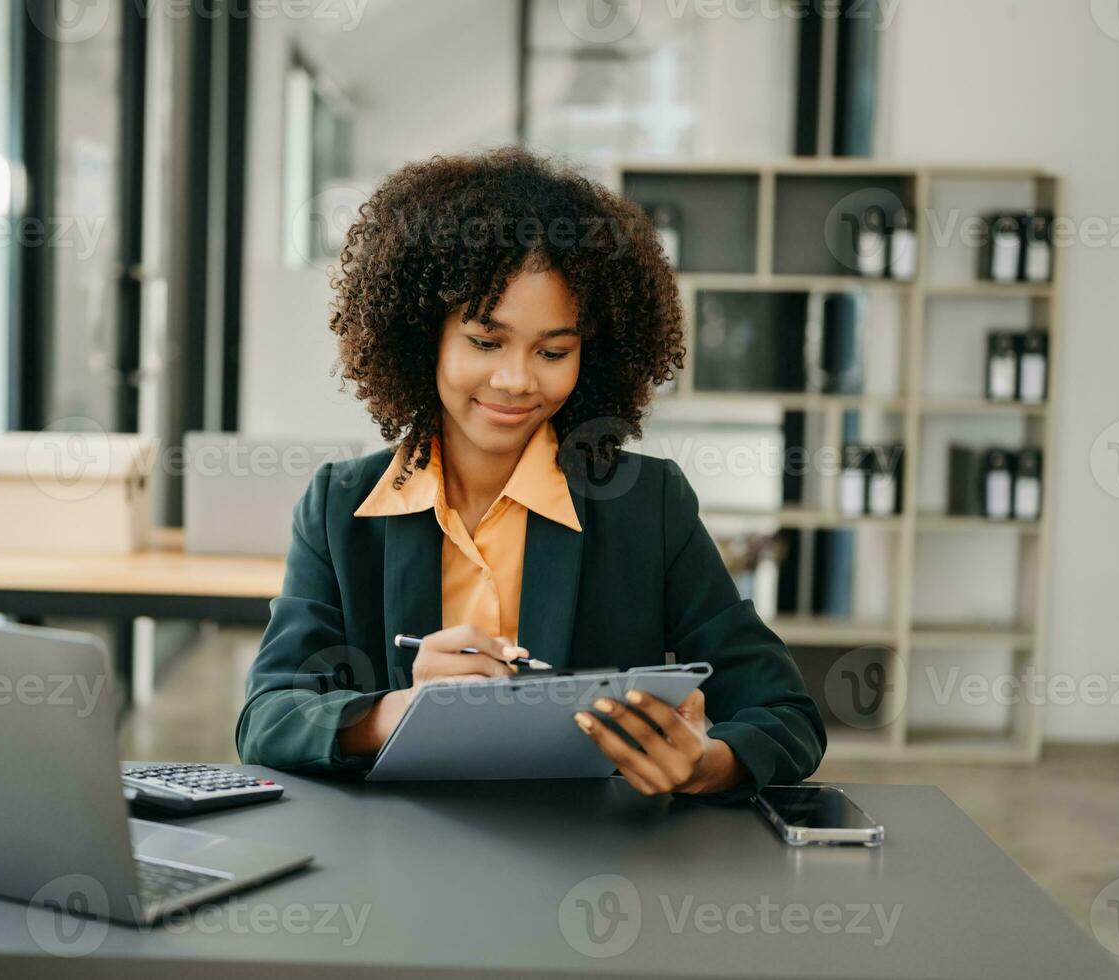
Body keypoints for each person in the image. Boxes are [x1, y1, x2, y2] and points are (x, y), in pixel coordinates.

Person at [235, 147, 825, 798]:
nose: (516, 381)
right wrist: (392, 713)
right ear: (421, 335)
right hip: (397, 863)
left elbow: (786, 714)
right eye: (486, 342)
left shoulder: (646, 506)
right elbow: (268, 717)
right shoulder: (340, 507)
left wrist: (704, 763)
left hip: (592, 868)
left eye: (553, 351)